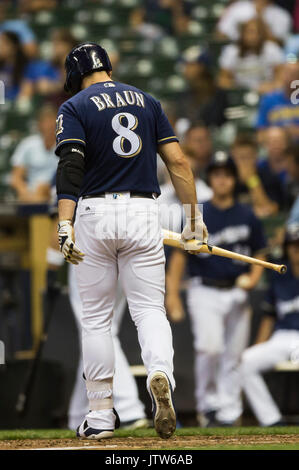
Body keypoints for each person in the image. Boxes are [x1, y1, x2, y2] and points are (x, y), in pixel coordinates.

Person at [55, 42, 208, 440]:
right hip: (144, 212)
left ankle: (102, 416)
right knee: (148, 309)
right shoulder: (148, 101)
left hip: (94, 215)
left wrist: (64, 224)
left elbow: (71, 167)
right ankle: (161, 374)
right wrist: (193, 220)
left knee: (96, 321)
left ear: (75, 74)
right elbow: (178, 162)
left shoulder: (74, 107)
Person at [166, 152, 267, 427]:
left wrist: (255, 278)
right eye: (217, 175)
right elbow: (178, 257)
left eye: (227, 175)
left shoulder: (247, 215)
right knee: (209, 348)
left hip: (237, 290)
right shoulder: (199, 214)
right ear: (210, 178)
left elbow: (260, 252)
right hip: (204, 290)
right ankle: (208, 406)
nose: (221, 180)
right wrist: (172, 294)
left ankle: (229, 411)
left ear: (234, 179)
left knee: (234, 355)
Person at [240, 224, 299, 426]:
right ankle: (272, 420)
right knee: (246, 361)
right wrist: (258, 346)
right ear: (287, 249)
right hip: (282, 337)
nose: (297, 250)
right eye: (293, 246)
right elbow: (269, 317)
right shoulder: (280, 277)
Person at [218, 18, 284, 93]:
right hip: (240, 93)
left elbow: (281, 78)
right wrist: (236, 88)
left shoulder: (272, 49)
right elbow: (223, 79)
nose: (253, 36)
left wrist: (272, 86)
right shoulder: (231, 51)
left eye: (256, 33)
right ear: (242, 34)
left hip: (267, 92)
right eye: (249, 32)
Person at [10, 104, 58, 202]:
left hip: (57, 192)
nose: (49, 126)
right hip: (32, 193)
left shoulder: (65, 145)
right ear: (39, 124)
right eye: (45, 122)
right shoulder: (28, 144)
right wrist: (25, 192)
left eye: (51, 121)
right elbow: (16, 178)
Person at [231, 133, 286, 216]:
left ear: (256, 157)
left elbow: (270, 209)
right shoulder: (228, 180)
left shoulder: (269, 177)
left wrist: (252, 180)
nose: (245, 162)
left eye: (249, 157)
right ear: (233, 158)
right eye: (241, 157)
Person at [176, 46, 228, 127]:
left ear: (202, 67)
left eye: (191, 65)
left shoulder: (218, 95)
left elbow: (216, 121)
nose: (186, 69)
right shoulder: (185, 94)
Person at [256, 62, 299, 142]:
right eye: (287, 74)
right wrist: (279, 134)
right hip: (276, 148)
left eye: (295, 74)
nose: (291, 78)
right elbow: (260, 135)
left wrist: (293, 131)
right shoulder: (269, 99)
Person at [217, 0, 292, 44]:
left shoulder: (282, 15)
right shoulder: (237, 8)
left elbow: (279, 44)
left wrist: (260, 16)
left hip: (268, 56)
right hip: (239, 51)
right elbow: (220, 35)